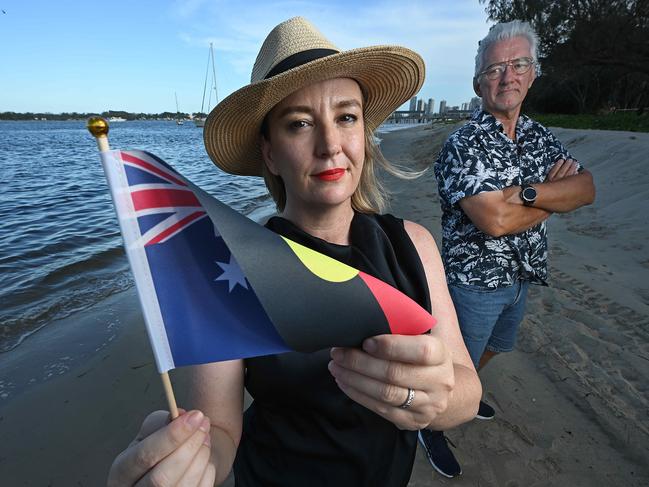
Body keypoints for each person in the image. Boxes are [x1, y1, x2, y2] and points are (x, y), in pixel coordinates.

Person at [107, 16, 481, 487]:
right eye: (299, 124)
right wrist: (186, 462)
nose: (329, 146)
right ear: (268, 152)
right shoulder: (232, 269)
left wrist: (437, 401)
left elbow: (467, 388)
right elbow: (219, 433)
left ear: (365, 132)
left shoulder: (413, 245)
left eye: (346, 117)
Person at [418, 20, 596, 478]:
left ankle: (468, 389)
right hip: (474, 283)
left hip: (523, 275)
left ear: (533, 73)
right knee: (451, 362)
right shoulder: (464, 144)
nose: (507, 76)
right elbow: (493, 221)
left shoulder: (539, 136)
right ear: (479, 81)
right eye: (496, 68)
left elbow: (585, 188)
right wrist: (551, 195)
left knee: (498, 345)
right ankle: (430, 425)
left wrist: (527, 195)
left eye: (518, 64)